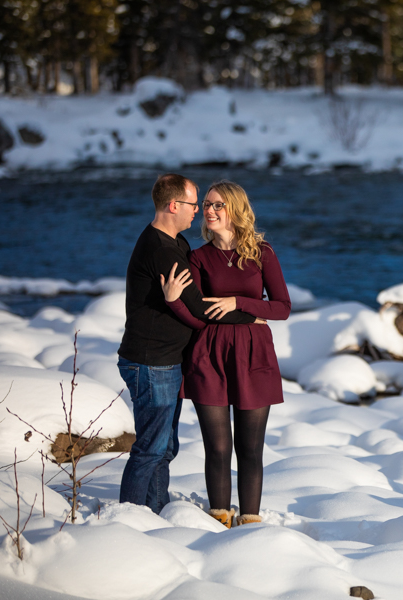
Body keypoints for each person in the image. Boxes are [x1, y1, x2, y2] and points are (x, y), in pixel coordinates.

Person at [118, 173, 258, 514]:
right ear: (173, 205)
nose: (198, 211)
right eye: (195, 204)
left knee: (164, 447)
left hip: (166, 361)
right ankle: (129, 518)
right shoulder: (161, 250)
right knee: (151, 448)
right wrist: (250, 315)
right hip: (152, 362)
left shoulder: (175, 243)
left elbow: (194, 308)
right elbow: (201, 312)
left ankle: (154, 508)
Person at [162, 180, 291, 528]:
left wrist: (239, 304)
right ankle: (218, 518)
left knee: (250, 450)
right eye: (206, 205)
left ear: (235, 210)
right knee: (217, 449)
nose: (209, 211)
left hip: (254, 356)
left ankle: (250, 522)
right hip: (209, 355)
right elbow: (201, 312)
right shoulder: (198, 257)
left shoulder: (263, 253)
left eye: (218, 205)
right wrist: (175, 302)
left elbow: (282, 307)